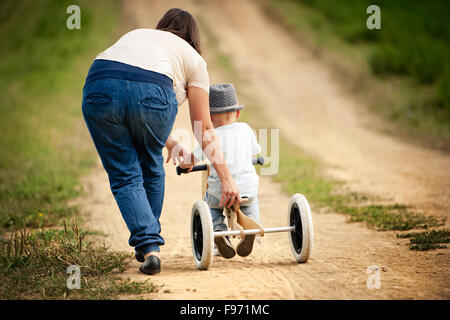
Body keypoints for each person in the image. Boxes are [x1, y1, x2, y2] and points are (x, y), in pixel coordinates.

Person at [81, 9, 240, 275]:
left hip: (99, 84)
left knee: (123, 174)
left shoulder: (137, 35)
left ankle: (149, 247)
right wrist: (226, 178)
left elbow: (128, 91)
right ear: (194, 38)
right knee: (150, 164)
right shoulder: (194, 59)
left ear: (161, 28)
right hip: (151, 91)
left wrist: (171, 143)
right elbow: (204, 128)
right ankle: (149, 246)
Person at [182, 83, 261, 258]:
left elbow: (191, 160)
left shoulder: (209, 137)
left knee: (210, 204)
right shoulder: (246, 129)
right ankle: (251, 227)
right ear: (238, 113)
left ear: (208, 116)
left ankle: (218, 231)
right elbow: (255, 152)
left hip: (220, 192)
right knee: (251, 202)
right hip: (247, 187)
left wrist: (184, 166)